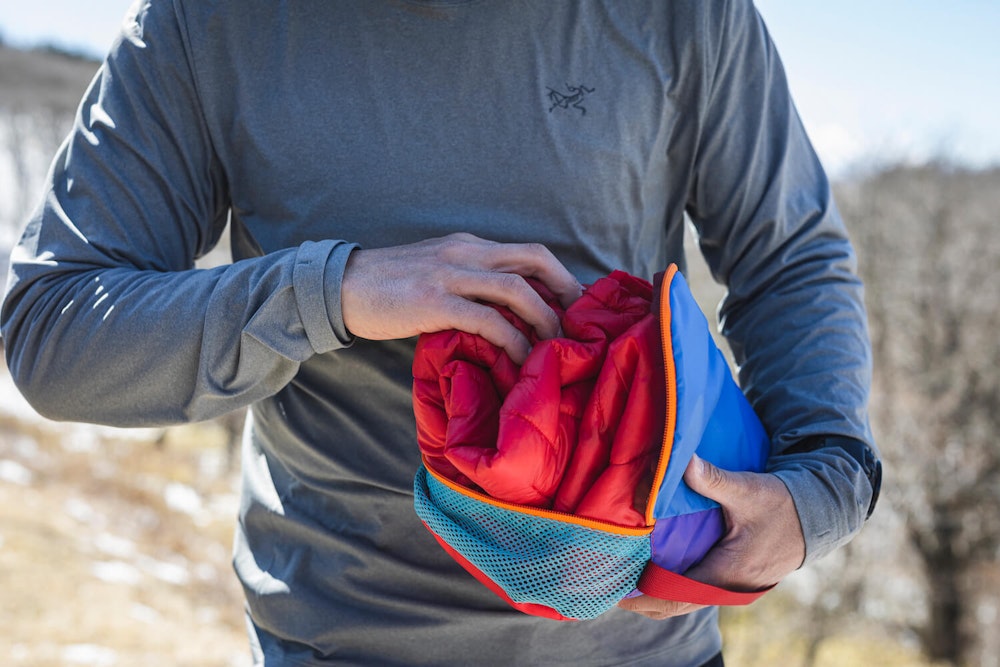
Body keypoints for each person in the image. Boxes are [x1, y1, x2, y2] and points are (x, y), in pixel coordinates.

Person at [1, 1, 881, 665]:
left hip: (641, 649)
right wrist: (330, 289)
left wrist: (820, 483)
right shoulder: (211, 24)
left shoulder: (683, 14)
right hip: (339, 642)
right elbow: (54, 329)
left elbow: (789, 259)